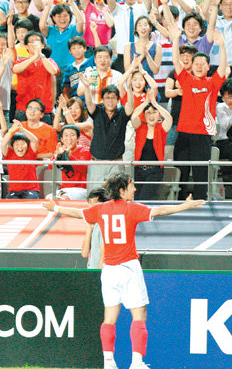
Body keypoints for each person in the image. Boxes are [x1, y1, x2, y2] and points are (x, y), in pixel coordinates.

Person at [42, 171, 205, 369]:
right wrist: (184, 206)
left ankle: (108, 362)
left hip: (108, 270)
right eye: (131, 185)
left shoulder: (101, 209)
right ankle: (136, 362)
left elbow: (79, 214)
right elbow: (160, 211)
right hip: (128, 267)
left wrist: (55, 208)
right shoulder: (131, 209)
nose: (135, 189)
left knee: (109, 318)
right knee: (139, 315)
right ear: (121, 190)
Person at [168, 19, 227, 199]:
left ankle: (201, 203)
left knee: (201, 174)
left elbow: (223, 68)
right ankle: (179, 203)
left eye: (203, 63)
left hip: (203, 134)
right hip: (184, 132)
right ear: (191, 67)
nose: (200, 65)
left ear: (208, 67)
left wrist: (222, 45)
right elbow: (176, 62)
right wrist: (176, 40)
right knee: (181, 172)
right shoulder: (186, 80)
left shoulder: (213, 83)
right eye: (196, 63)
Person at [80, 79, 134, 192]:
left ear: (118, 100)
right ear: (102, 100)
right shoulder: (97, 111)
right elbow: (89, 103)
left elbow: (130, 107)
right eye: (107, 98)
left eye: (113, 98)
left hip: (116, 163)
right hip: (97, 163)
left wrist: (129, 89)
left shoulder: (122, 114)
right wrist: (86, 87)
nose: (110, 101)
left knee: (117, 195)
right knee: (94, 196)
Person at [131, 90, 173, 200]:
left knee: (144, 199)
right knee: (135, 199)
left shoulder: (161, 128)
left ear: (159, 115)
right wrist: (145, 103)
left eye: (154, 112)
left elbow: (169, 118)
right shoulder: (140, 127)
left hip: (155, 171)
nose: (151, 115)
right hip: (138, 170)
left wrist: (155, 104)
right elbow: (133, 116)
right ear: (144, 115)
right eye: (148, 113)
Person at [12, 31, 59, 124]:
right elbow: (16, 69)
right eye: (31, 41)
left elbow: (53, 71)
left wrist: (40, 56)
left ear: (42, 45)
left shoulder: (49, 61)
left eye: (37, 40)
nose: (34, 43)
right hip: (23, 109)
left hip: (44, 109)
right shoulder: (21, 61)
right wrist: (34, 57)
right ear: (26, 46)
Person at [51, 124, 92, 200]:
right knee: (49, 198)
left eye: (72, 135)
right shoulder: (61, 150)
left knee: (64, 198)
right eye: (66, 135)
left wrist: (69, 156)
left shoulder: (86, 150)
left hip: (81, 189)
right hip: (64, 189)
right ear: (62, 139)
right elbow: (51, 167)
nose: (69, 138)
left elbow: (81, 167)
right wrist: (57, 156)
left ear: (78, 138)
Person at [2, 118, 39, 199]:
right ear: (12, 146)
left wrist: (22, 129)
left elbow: (34, 140)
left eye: (22, 144)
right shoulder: (9, 153)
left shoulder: (30, 153)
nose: (20, 147)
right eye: (17, 144)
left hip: (31, 190)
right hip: (13, 191)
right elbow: (3, 144)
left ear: (27, 145)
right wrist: (11, 131)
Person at [81, 187, 107, 269]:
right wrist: (89, 230)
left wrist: (98, 274)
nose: (91, 206)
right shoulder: (92, 224)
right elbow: (84, 253)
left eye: (95, 202)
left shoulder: (103, 224)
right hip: (91, 268)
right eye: (89, 202)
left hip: (100, 272)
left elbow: (104, 254)